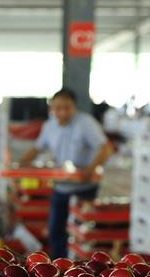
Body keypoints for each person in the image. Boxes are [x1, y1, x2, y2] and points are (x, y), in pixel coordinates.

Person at [19, 88, 113, 260]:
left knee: (83, 235)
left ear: (74, 107)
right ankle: (59, 266)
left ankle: (83, 269)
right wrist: (19, 165)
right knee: (56, 230)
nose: (62, 112)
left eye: (67, 107)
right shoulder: (49, 126)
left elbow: (106, 148)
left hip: (85, 188)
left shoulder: (86, 123)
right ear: (51, 109)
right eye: (58, 107)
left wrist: (90, 169)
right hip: (61, 187)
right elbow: (37, 148)